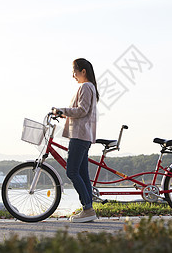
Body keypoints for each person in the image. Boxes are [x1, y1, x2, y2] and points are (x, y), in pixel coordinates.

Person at [53, 58, 99, 223]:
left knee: (71, 171)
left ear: (83, 71)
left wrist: (61, 110)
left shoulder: (85, 86)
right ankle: (89, 209)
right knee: (82, 174)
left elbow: (82, 110)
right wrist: (62, 113)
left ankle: (87, 208)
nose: (73, 75)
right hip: (84, 135)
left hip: (79, 135)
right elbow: (82, 111)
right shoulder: (90, 87)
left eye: (74, 71)